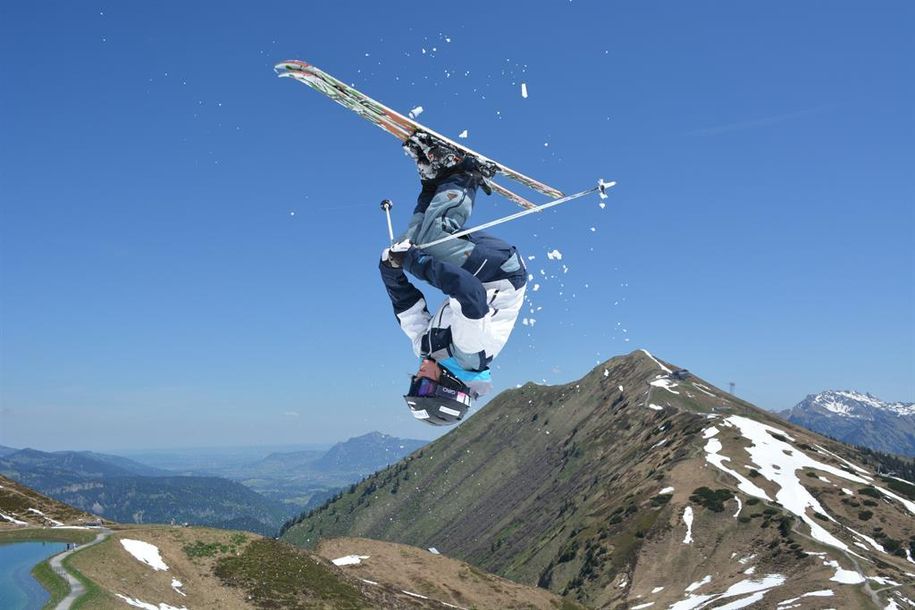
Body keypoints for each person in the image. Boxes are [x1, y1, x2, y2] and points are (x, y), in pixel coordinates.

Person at [379, 134, 527, 426]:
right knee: (429, 247)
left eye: (413, 387)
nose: (417, 379)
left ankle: (434, 181)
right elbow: (469, 292)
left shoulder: (427, 349)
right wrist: (411, 263)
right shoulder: (469, 352)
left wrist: (391, 270)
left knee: (408, 244)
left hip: (476, 270)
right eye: (423, 387)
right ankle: (465, 174)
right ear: (447, 388)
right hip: (502, 273)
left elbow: (407, 308)